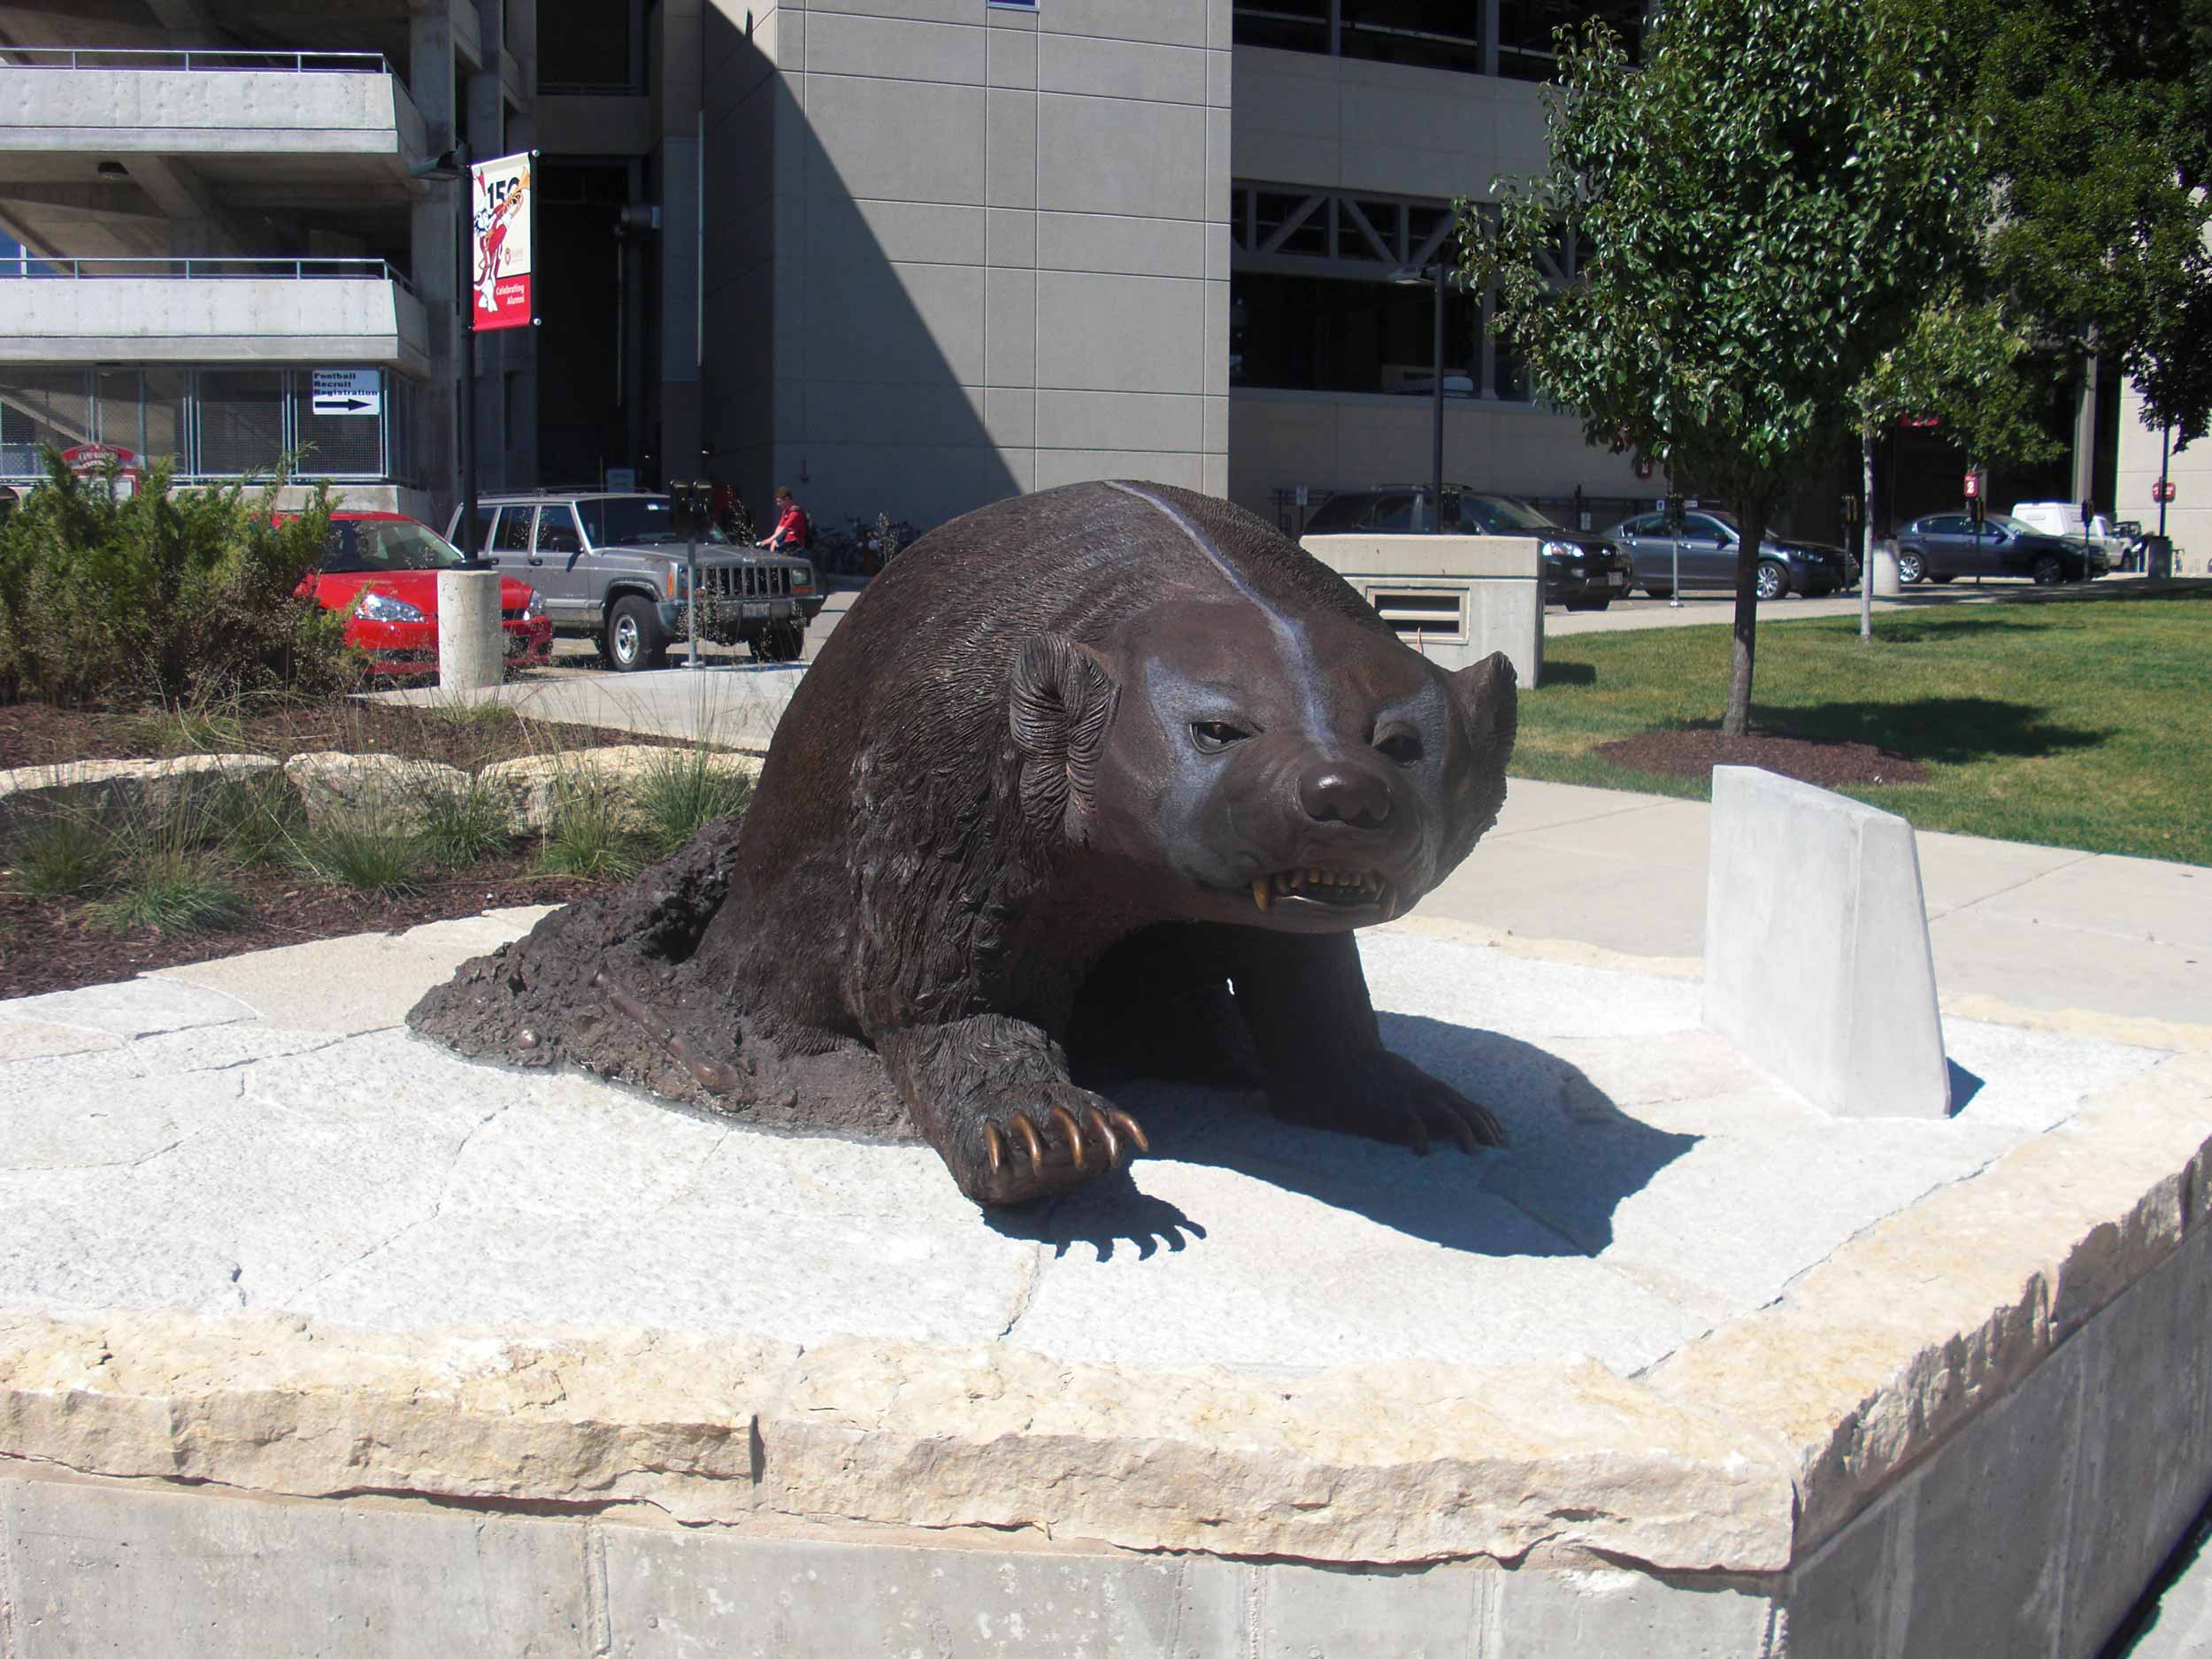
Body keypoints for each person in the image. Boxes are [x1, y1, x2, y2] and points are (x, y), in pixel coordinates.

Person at [758, 485, 810, 553]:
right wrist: (774, 539)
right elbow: (780, 527)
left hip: (795, 543)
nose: (778, 504)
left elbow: (784, 529)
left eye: (779, 501)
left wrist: (770, 539)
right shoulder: (786, 511)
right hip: (786, 540)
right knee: (773, 545)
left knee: (775, 547)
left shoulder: (795, 513)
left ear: (787, 499)